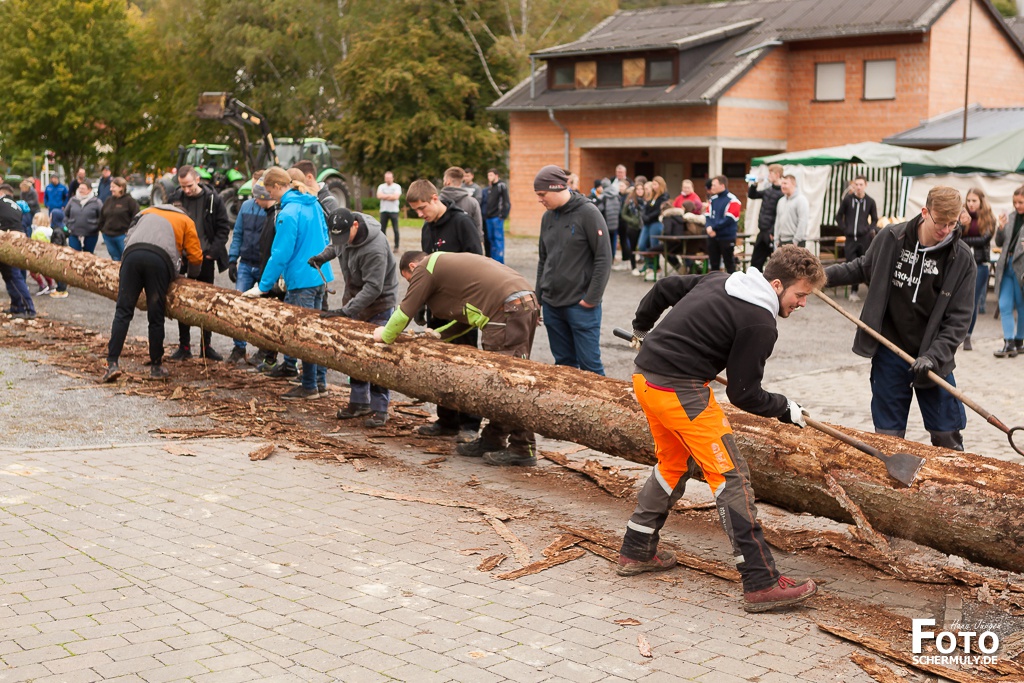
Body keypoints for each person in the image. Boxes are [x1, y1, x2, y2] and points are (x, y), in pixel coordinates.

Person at [618, 245, 823, 613]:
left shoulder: (721, 280)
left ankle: (636, 547)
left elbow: (664, 287)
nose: (803, 303)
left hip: (645, 378)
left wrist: (642, 327)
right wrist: (783, 407)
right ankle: (760, 581)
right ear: (777, 285)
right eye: (800, 295)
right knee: (731, 478)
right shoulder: (760, 323)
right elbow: (744, 394)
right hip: (679, 391)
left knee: (673, 464)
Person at [825, 186, 974, 450]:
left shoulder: (961, 258)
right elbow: (861, 268)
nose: (946, 230)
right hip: (890, 349)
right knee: (887, 436)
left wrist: (933, 357)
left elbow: (958, 321)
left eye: (952, 224)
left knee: (946, 434)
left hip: (932, 356)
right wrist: (819, 276)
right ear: (925, 212)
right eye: (940, 222)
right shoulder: (893, 237)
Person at [373, 250, 540, 466]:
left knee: (509, 383)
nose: (413, 284)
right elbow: (468, 319)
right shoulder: (449, 267)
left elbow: (405, 312)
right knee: (502, 381)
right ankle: (493, 438)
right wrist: (438, 335)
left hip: (506, 309)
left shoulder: (425, 268)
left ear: (412, 268)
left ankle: (523, 447)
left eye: (409, 280)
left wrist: (385, 335)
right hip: (521, 302)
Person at [243, 167, 334, 398]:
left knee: (304, 335)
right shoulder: (312, 203)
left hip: (302, 280)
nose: (268, 194)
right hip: (319, 276)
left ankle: (309, 385)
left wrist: (262, 286)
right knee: (317, 331)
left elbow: (280, 254)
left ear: (276, 187)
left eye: (268, 189)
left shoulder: (288, 213)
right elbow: (325, 237)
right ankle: (319, 381)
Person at [409, 178, 483, 439]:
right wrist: (421, 303)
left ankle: (470, 424)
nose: (420, 214)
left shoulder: (462, 223)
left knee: (465, 365)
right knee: (440, 365)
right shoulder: (427, 228)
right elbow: (425, 268)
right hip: (437, 309)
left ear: (434, 198)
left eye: (422, 208)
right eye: (416, 211)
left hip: (462, 309)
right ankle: (447, 420)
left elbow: (478, 263)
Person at [312, 208, 399, 427]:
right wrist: (322, 257)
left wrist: (346, 311)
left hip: (378, 304)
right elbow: (336, 246)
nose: (341, 240)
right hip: (354, 298)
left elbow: (373, 288)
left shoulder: (375, 248)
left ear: (355, 226)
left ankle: (380, 409)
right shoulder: (342, 232)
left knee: (377, 357)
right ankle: (359, 402)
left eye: (344, 236)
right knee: (354, 353)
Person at [101, 205, 204, 384]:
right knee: (155, 315)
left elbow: (128, 237)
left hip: (132, 255)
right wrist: (192, 277)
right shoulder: (186, 220)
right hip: (159, 260)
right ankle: (156, 366)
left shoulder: (145, 212)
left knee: (123, 311)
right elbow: (195, 255)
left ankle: (112, 363)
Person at [535, 164, 612, 375]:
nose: (539, 199)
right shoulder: (547, 217)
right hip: (552, 305)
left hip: (580, 305)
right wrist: (538, 298)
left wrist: (591, 299)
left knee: (590, 368)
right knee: (564, 367)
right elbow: (543, 259)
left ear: (557, 187)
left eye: (542, 194)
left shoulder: (588, 213)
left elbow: (604, 258)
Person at [167, 165, 232, 361]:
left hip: (205, 257)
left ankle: (206, 346)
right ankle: (184, 346)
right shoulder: (175, 199)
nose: (186, 190)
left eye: (189, 186)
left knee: (205, 303)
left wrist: (212, 252)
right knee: (182, 301)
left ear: (197, 179)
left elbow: (223, 228)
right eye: (183, 186)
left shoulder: (213, 199)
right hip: (182, 257)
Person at [226, 176, 276, 365]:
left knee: (266, 310)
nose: (255, 199)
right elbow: (238, 233)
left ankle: (264, 350)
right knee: (239, 305)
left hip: (264, 266)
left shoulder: (273, 211)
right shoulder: (246, 207)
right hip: (246, 264)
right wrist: (233, 259)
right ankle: (239, 347)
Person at [958, 188, 995, 351]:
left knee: (972, 301)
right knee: (958, 300)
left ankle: (968, 336)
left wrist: (965, 240)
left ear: (981, 201)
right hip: (961, 263)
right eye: (968, 200)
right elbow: (954, 235)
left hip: (980, 264)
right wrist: (960, 224)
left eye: (974, 201)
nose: (971, 204)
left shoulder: (988, 217)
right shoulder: (961, 216)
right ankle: (956, 334)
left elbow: (984, 239)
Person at [835, 175, 879, 302]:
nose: (858, 187)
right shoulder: (847, 200)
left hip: (864, 239)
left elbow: (875, 219)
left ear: (865, 185)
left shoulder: (870, 201)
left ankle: (871, 291)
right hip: (850, 239)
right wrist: (845, 228)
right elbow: (838, 216)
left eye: (861, 184)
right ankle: (853, 291)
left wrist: (867, 229)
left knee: (866, 264)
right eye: (856, 184)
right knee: (851, 264)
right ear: (853, 185)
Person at [993, 186, 1024, 358]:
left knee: (1021, 305)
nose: (1017, 206)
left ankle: (1019, 340)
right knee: (1004, 304)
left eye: (1020, 202)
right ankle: (1009, 343)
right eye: (1015, 202)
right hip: (1006, 265)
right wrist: (1001, 227)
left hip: (1022, 267)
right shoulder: (1010, 217)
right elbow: (999, 242)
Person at [0, 184, 36, 319]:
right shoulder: (15, 205)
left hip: (7, 241)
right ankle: (17, 306)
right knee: (9, 276)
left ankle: (28, 309)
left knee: (13, 276)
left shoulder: (1, 202)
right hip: (18, 239)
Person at [747, 165, 783, 271]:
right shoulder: (768, 190)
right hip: (762, 231)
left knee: (775, 263)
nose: (768, 176)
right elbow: (752, 195)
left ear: (777, 175)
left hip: (771, 234)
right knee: (755, 262)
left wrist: (773, 231)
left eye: (771, 173)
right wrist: (755, 183)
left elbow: (780, 215)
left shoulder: (782, 193)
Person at [704, 175, 741, 273]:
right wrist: (708, 227)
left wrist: (714, 228)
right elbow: (707, 215)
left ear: (722, 185)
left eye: (714, 185)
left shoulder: (733, 200)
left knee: (729, 263)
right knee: (713, 264)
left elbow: (730, 218)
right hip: (712, 237)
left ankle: (732, 282)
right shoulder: (712, 200)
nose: (712, 187)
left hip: (726, 237)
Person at [97, 177, 139, 262]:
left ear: (121, 187)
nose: (111, 189)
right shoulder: (108, 200)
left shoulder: (130, 201)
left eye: (113, 187)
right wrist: (102, 229)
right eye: (110, 187)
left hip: (122, 236)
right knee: (115, 259)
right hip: (108, 236)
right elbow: (102, 216)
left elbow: (136, 217)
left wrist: (130, 231)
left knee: (126, 258)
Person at [635, 177, 669, 281]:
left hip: (655, 223)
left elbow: (659, 210)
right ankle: (649, 265)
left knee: (654, 246)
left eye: (655, 184)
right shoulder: (652, 196)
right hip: (647, 223)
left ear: (660, 185)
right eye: (652, 184)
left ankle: (655, 267)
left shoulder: (664, 196)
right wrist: (644, 216)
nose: (653, 186)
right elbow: (646, 208)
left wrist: (649, 217)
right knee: (641, 245)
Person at [439, 166, 483, 247]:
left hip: (442, 246)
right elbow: (478, 226)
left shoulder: (437, 202)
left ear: (447, 182)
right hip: (465, 246)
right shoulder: (473, 202)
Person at [64, 180, 103, 255]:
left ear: (89, 190)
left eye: (83, 188)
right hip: (74, 233)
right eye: (79, 188)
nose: (80, 190)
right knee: (74, 254)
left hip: (91, 234)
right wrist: (68, 225)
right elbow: (65, 214)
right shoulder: (73, 200)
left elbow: (102, 217)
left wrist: (96, 226)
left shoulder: (96, 202)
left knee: (88, 255)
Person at [618, 176, 647, 272]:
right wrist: (631, 220)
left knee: (643, 246)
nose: (639, 191)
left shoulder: (646, 201)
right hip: (632, 227)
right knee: (633, 247)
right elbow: (623, 214)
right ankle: (633, 267)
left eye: (641, 189)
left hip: (643, 226)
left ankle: (646, 267)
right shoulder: (630, 200)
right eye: (638, 189)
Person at [774, 174, 808, 249]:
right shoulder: (781, 201)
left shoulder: (801, 200)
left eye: (785, 183)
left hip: (796, 242)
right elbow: (777, 221)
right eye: (782, 183)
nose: (782, 186)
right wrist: (776, 238)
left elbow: (803, 221)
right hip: (782, 241)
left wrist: (795, 241)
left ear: (793, 184)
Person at [484, 168, 511, 263]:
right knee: (490, 240)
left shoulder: (501, 186)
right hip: (489, 218)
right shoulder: (490, 188)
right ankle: (493, 262)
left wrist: (503, 215)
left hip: (497, 218)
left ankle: (499, 261)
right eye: (488, 175)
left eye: (491, 175)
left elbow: (506, 202)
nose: (489, 177)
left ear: (496, 175)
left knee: (498, 240)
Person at [29, 211, 57, 294]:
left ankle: (42, 285)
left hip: (38, 254)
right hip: (47, 254)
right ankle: (50, 285)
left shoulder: (38, 231)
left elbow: (39, 243)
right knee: (45, 271)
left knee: (33, 272)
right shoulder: (49, 230)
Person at [594, 178, 621, 262]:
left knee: (606, 242)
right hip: (615, 222)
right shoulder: (617, 195)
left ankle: (607, 259)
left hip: (606, 223)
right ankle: (613, 257)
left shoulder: (603, 196)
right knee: (614, 240)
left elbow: (599, 209)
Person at [376, 171, 401, 251]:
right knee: (382, 229)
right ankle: (383, 245)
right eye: (386, 178)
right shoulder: (381, 186)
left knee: (395, 229)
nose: (388, 180)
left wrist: (384, 196)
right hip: (384, 210)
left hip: (394, 210)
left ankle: (396, 246)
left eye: (389, 178)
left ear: (392, 178)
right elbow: (379, 196)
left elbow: (396, 197)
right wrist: (390, 196)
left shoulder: (397, 186)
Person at [48, 209, 69, 298]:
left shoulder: (57, 231)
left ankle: (61, 290)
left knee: (59, 272)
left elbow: (57, 245)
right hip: (63, 254)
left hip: (59, 255)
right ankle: (60, 287)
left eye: (51, 216)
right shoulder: (62, 227)